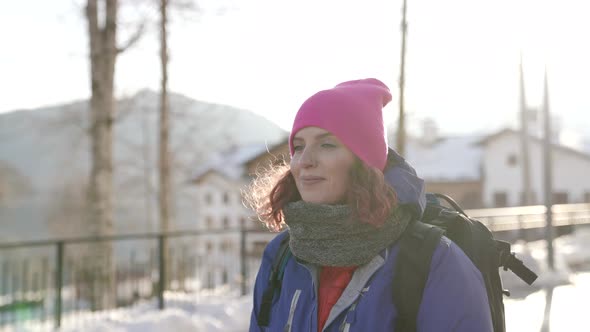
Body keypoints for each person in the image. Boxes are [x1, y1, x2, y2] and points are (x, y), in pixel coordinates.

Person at [246, 78, 493, 331]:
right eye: (298, 147)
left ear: (364, 163)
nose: (304, 160)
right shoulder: (280, 255)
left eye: (327, 144)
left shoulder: (434, 261)